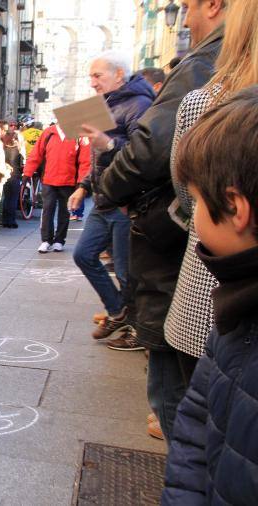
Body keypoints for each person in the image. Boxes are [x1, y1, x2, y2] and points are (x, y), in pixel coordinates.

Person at [98, 0, 225, 440]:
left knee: (177, 366)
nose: (184, 19)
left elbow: (150, 149)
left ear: (214, 6)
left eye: (187, 7)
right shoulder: (213, 66)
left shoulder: (205, 68)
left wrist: (107, 182)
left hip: (174, 234)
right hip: (184, 235)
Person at [162, 86, 258, 504]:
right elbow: (196, 427)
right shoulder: (237, 305)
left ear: (236, 208)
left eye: (197, 200)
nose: (193, 214)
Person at [164, 0, 257, 428]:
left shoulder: (210, 105)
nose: (184, 18)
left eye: (187, 6)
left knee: (201, 422)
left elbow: (187, 197)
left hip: (206, 300)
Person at [70, 50, 154, 351]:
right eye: (90, 76)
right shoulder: (106, 104)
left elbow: (144, 154)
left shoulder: (139, 104)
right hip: (103, 198)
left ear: (119, 75)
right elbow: (98, 158)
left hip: (125, 200)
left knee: (125, 270)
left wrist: (109, 143)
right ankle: (119, 311)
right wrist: (83, 187)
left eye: (97, 75)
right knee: (83, 254)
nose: (92, 82)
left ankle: (136, 329)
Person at [23, 123, 91, 253]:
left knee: (64, 212)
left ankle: (59, 240)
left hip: (69, 180)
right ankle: (46, 240)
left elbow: (85, 161)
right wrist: (28, 172)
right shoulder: (48, 133)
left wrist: (82, 183)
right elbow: (36, 153)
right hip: (49, 179)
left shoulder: (79, 134)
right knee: (47, 210)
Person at [0, 127, 23, 229]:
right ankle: (11, 221)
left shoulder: (3, 147)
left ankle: (5, 220)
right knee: (13, 199)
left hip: (4, 175)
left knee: (6, 198)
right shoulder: (19, 149)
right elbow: (22, 164)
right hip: (15, 175)